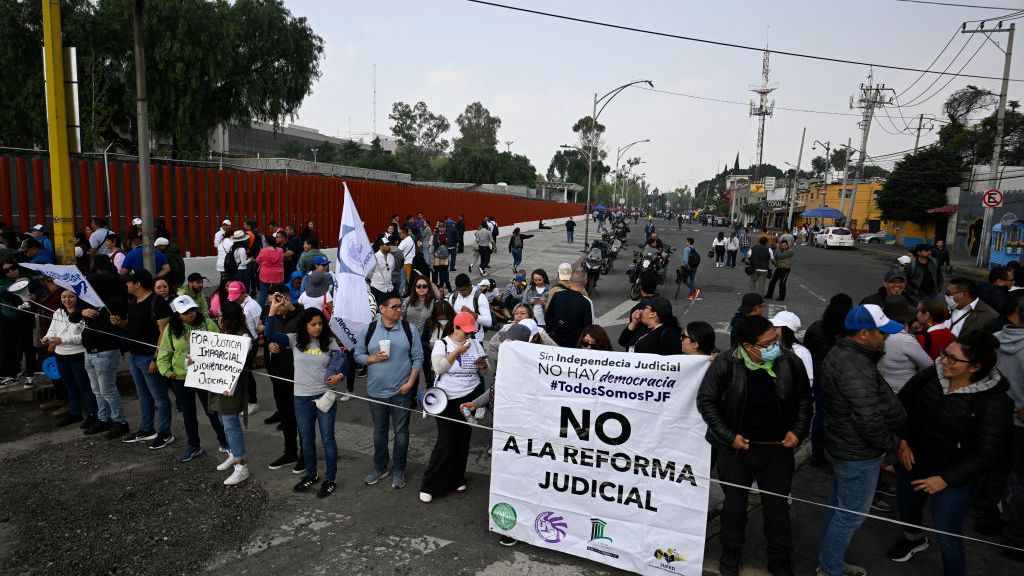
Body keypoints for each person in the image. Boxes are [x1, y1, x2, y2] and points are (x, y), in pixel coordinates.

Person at [886, 332, 1012, 576]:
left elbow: (987, 453)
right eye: (945, 354)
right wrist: (901, 442)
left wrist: (945, 479)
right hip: (914, 460)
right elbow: (902, 405)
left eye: (953, 359)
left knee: (947, 529)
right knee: (906, 505)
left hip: (954, 476)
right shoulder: (931, 375)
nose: (943, 361)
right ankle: (913, 538)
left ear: (975, 367)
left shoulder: (995, 402)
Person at [698, 315, 812, 576]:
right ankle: (730, 556)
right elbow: (707, 402)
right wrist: (729, 436)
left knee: (777, 511)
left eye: (776, 339)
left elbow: (805, 400)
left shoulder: (789, 361)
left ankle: (780, 561)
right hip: (736, 451)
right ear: (748, 347)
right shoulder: (727, 363)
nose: (776, 346)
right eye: (768, 343)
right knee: (734, 508)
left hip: (777, 450)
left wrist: (798, 432)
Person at [818, 304, 907, 576]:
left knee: (839, 509)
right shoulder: (854, 365)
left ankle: (829, 563)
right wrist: (895, 443)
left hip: (846, 446)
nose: (886, 338)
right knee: (849, 515)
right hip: (858, 453)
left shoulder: (848, 353)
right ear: (864, 334)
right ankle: (830, 570)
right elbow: (868, 420)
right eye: (882, 333)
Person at [354, 292, 423, 490]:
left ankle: (399, 469)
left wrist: (410, 384)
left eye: (400, 306)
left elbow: (418, 358)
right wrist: (371, 359)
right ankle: (380, 467)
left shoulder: (410, 329)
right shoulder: (368, 329)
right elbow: (357, 354)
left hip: (401, 391)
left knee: (401, 433)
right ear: (382, 309)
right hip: (376, 392)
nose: (399, 310)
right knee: (379, 432)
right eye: (394, 307)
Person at [419, 311, 487, 503]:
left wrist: (482, 365)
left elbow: (485, 371)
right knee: (446, 441)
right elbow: (438, 368)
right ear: (455, 327)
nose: (468, 336)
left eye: (471, 332)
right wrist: (457, 352)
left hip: (470, 395)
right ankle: (430, 484)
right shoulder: (442, 344)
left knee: (463, 439)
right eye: (465, 332)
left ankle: (457, 478)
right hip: (447, 398)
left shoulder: (475, 343)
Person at [278, 307, 344, 497]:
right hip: (301, 398)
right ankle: (312, 474)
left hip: (325, 397)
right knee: (306, 439)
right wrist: (273, 311)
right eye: (313, 324)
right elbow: (271, 335)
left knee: (327, 439)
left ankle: (330, 479)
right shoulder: (294, 340)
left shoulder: (329, 341)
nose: (317, 328)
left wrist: (339, 375)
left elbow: (341, 363)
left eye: (320, 324)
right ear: (304, 325)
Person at [157, 295, 229, 463]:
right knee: (188, 413)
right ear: (177, 314)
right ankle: (194, 446)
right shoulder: (171, 329)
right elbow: (165, 351)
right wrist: (168, 372)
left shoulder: (207, 324)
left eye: (192, 309)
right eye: (185, 312)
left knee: (212, 410)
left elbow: (220, 346)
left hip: (204, 375)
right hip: (180, 378)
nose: (190, 314)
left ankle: (224, 440)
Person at [112, 269, 176, 449]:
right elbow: (132, 326)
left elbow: (164, 333)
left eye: (129, 282)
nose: (126, 284)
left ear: (138, 284)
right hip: (134, 355)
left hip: (150, 357)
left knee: (159, 396)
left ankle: (165, 432)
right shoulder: (133, 301)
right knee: (143, 395)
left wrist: (156, 358)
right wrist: (120, 323)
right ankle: (147, 429)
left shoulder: (158, 303)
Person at [803, 294, 853, 468]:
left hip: (818, 376)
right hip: (839, 379)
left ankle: (817, 452)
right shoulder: (847, 331)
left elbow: (807, 348)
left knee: (820, 414)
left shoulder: (817, 327)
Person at [75, 279, 129, 438]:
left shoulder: (112, 302)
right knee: (96, 390)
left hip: (106, 352)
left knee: (107, 389)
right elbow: (72, 317)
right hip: (89, 352)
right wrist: (82, 312)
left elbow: (108, 328)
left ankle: (120, 421)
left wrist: (96, 316)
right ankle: (103, 418)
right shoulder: (86, 302)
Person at [263, 288, 305, 473]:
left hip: (300, 378)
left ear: (286, 299)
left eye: (276, 303)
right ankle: (290, 452)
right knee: (286, 417)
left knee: (302, 420)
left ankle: (306, 456)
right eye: (270, 303)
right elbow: (267, 337)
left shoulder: (303, 317)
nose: (273, 307)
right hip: (279, 376)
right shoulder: (273, 317)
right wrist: (269, 344)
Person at [42, 289, 98, 428]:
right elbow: (52, 331)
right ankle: (75, 413)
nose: (67, 300)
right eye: (64, 297)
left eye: (71, 297)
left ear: (77, 298)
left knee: (84, 386)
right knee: (69, 386)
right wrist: (47, 338)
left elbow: (83, 337)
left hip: (78, 355)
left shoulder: (84, 313)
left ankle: (93, 414)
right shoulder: (58, 312)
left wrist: (63, 340)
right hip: (61, 355)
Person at [996, 295, 1024, 554]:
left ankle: (989, 517)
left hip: (995, 417)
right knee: (1019, 480)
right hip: (1018, 424)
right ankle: (1015, 538)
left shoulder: (996, 338)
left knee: (996, 471)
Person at [545, 268, 596, 347]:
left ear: (570, 280)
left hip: (556, 340)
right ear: (585, 282)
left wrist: (550, 333)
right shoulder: (586, 302)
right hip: (575, 344)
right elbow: (589, 327)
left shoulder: (557, 295)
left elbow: (548, 316)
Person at [447, 274, 492, 342]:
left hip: (475, 339)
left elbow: (488, 322)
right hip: (456, 339)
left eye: (464, 290)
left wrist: (471, 313)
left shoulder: (480, 297)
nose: (462, 293)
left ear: (470, 285)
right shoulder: (453, 296)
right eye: (459, 290)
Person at [771, 311, 813, 381]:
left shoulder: (802, 352)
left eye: (777, 326)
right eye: (773, 326)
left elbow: (809, 379)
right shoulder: (775, 343)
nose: (773, 328)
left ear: (787, 330)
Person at [255, 235, 285, 308]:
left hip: (265, 274)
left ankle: (260, 312)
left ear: (267, 243)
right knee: (278, 294)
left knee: (263, 294)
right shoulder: (280, 250)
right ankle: (279, 310)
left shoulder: (263, 250)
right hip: (278, 274)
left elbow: (257, 260)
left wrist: (263, 264)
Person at [431, 227, 452, 295]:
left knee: (443, 275)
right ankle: (442, 288)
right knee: (441, 274)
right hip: (441, 261)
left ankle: (447, 289)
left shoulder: (443, 245)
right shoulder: (437, 236)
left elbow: (444, 254)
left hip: (442, 260)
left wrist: (436, 254)